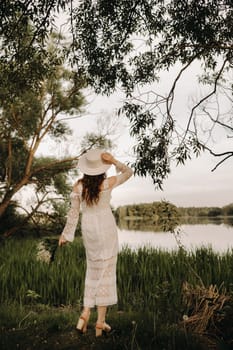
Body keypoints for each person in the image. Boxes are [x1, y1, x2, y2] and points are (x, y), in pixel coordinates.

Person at [58, 149, 133, 336]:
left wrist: (66, 235)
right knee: (107, 273)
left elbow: (73, 214)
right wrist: (114, 160)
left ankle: (85, 314)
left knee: (93, 272)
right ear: (102, 168)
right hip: (106, 229)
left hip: (90, 230)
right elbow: (129, 172)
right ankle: (99, 323)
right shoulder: (108, 183)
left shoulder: (78, 187)